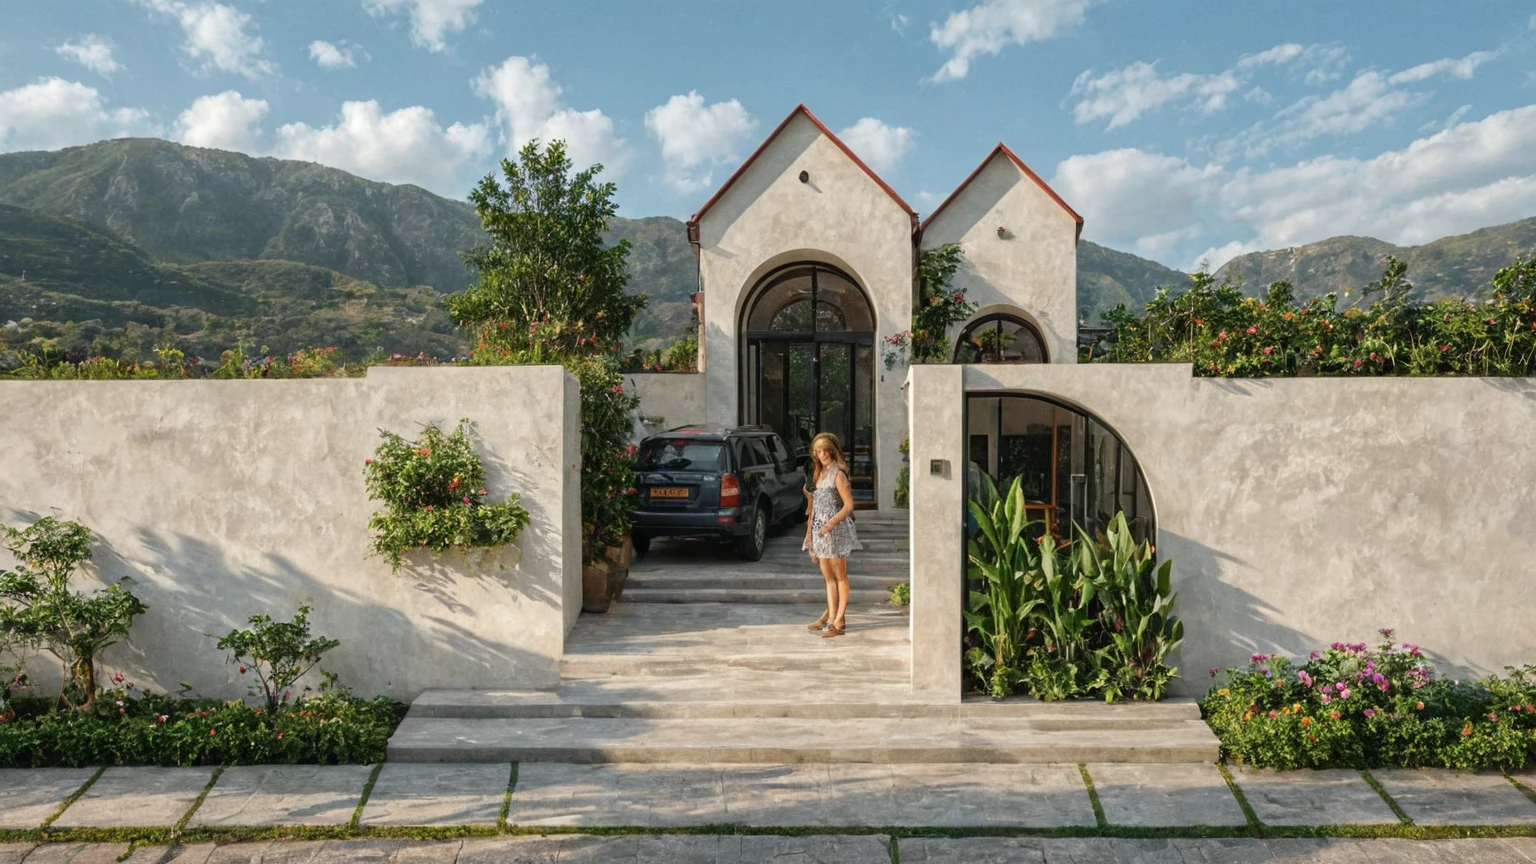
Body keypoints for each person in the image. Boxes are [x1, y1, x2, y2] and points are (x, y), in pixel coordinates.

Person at [803, 432, 861, 638]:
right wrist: (810, 536)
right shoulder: (820, 474)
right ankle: (831, 617)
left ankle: (840, 620)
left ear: (833, 450)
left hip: (835, 531)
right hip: (820, 531)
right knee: (828, 578)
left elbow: (848, 506)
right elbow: (816, 506)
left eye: (826, 450)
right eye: (818, 451)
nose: (822, 454)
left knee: (840, 576)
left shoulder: (838, 474)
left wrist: (830, 524)